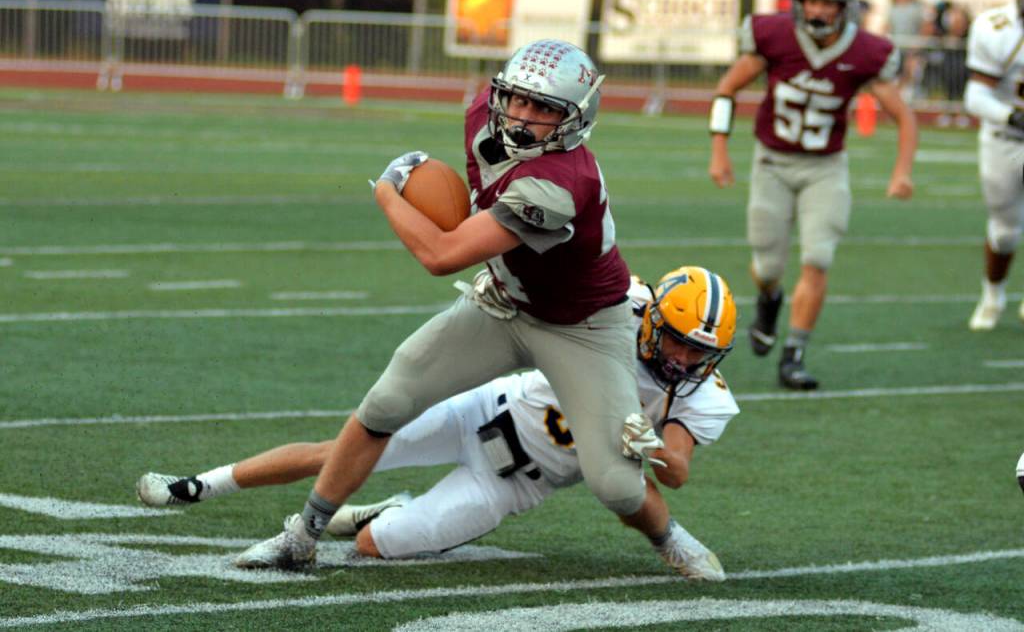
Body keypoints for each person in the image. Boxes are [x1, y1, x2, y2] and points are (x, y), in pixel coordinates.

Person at [233, 39, 675, 570]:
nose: (524, 116)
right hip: (504, 304)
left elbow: (442, 255)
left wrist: (388, 193)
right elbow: (473, 209)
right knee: (386, 402)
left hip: (582, 326)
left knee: (616, 485)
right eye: (518, 100)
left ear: (575, 119)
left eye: (544, 109)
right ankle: (302, 535)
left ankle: (669, 537)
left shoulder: (559, 185)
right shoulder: (481, 119)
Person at [137, 267, 739, 580]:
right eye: (679, 342)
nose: (683, 360)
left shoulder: (702, 391)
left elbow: (678, 469)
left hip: (519, 482)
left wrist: (648, 440)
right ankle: (197, 484)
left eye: (699, 352)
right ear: (652, 315)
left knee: (376, 547)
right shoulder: (615, 307)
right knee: (343, 448)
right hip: (484, 410)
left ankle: (377, 512)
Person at [707, 0, 917, 390]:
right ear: (799, 3)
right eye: (812, 1)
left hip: (825, 167)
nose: (819, 11)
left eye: (829, 3)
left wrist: (902, 172)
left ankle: (794, 355)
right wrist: (719, 151)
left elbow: (904, 116)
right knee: (767, 266)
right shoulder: (774, 35)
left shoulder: (866, 52)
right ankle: (769, 300)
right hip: (772, 163)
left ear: (847, 7)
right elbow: (726, 89)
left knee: (818, 258)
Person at [961, 0, 1024, 330]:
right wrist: (1012, 116)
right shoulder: (993, 27)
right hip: (1004, 136)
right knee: (1003, 230)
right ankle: (993, 294)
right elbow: (975, 97)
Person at [886, 0, 926, 100]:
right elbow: (888, 26)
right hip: (896, 48)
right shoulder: (892, 8)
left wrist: (918, 44)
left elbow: (925, 27)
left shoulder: (917, 8)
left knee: (911, 73)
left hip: (912, 49)